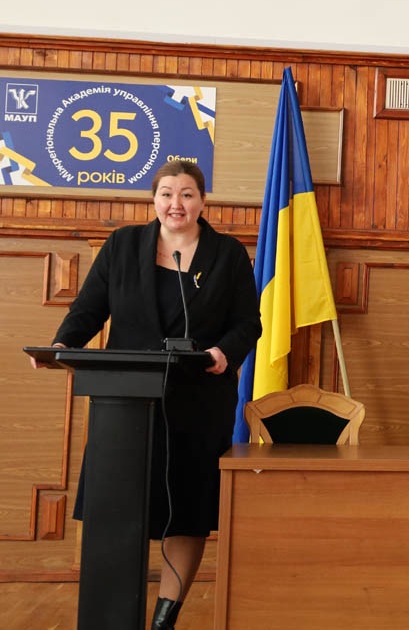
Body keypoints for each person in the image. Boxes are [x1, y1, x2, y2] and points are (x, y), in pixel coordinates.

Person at [32, 159, 260, 630]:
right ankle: (112, 615)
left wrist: (224, 351)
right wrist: (63, 344)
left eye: (187, 194)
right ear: (153, 199)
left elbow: (248, 323)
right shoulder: (122, 245)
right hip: (125, 404)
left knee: (187, 512)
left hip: (198, 404)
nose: (176, 203)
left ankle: (164, 618)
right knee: (116, 506)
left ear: (203, 201)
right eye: (167, 193)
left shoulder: (227, 254)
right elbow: (89, 307)